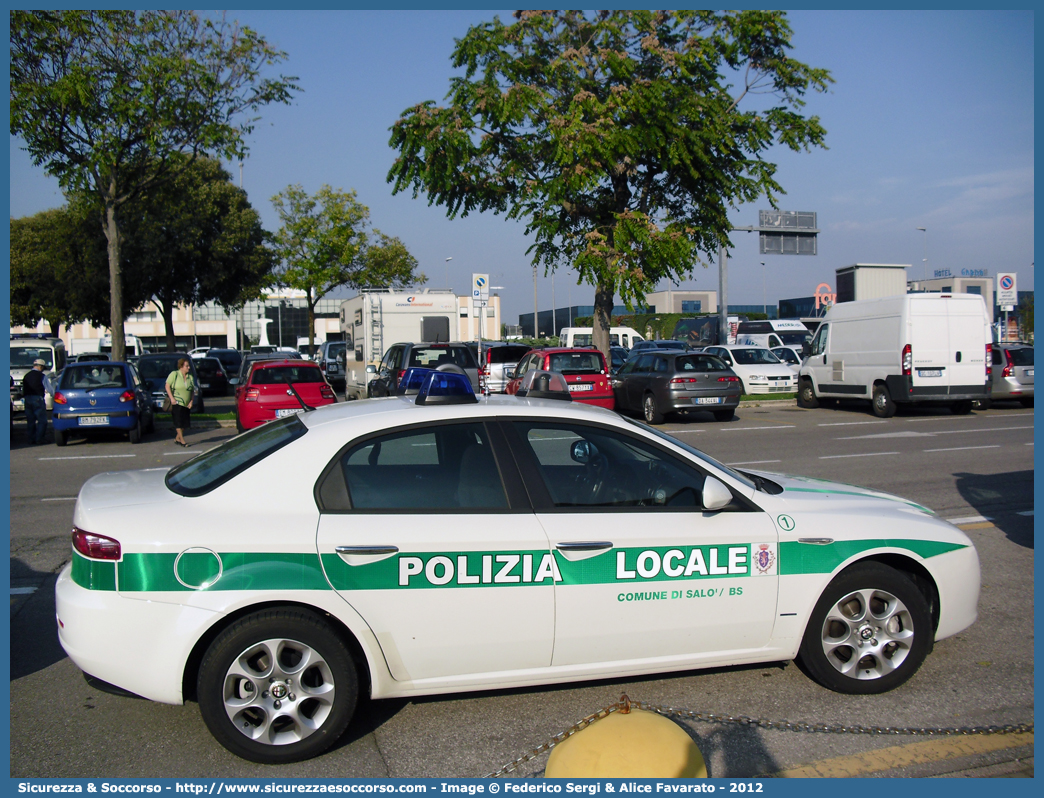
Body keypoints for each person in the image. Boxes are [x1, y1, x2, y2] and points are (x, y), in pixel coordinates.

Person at [165, 358, 197, 447]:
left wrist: (191, 401)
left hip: (186, 404)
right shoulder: (174, 374)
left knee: (185, 424)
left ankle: (177, 438)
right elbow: (167, 386)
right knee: (178, 422)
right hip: (177, 402)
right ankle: (182, 441)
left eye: (189, 366)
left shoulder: (190, 377)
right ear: (181, 366)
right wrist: (172, 398)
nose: (189, 368)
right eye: (187, 366)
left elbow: (192, 391)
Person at [21, 358, 52, 445]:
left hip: (27, 399)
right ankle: (40, 438)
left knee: (30, 421)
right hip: (38, 399)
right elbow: (49, 389)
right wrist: (55, 395)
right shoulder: (42, 376)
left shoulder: (26, 376)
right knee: (42, 421)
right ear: (40, 367)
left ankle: (31, 439)